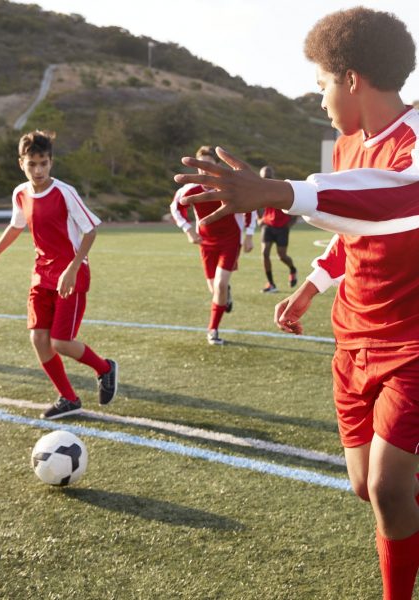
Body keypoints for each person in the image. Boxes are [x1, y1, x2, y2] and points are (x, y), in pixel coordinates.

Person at [174, 8, 419, 600]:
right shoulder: (347, 147)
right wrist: (310, 286)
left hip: (411, 342)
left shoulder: (415, 140)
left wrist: (285, 190)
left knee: (388, 488)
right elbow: (351, 227)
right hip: (352, 337)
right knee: (366, 486)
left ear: (351, 79)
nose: (320, 100)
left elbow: (401, 199)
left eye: (321, 85)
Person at [0, 130, 118, 419]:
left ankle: (105, 368)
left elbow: (91, 230)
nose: (38, 170)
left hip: (71, 273)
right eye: (32, 164)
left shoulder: (64, 192)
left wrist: (72, 267)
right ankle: (68, 398)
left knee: (61, 342)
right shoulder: (20, 193)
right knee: (38, 339)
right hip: (41, 274)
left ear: (51, 162)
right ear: (21, 163)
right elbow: (16, 227)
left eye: (43, 163)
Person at [170, 145, 255, 346]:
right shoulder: (190, 189)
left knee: (219, 285)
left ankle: (213, 330)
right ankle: (226, 295)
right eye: (200, 166)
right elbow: (176, 207)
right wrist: (188, 230)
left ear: (217, 166)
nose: (204, 170)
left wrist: (249, 235)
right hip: (206, 242)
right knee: (214, 289)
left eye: (208, 165)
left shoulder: (229, 186)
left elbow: (250, 207)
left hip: (230, 240)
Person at [256, 166, 297, 293]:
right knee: (264, 253)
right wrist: (259, 218)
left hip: (282, 227)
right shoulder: (259, 190)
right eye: (264, 177)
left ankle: (293, 269)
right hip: (268, 226)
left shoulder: (282, 187)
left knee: (282, 256)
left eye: (268, 176)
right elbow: (255, 204)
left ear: (273, 176)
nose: (266, 179)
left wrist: (290, 223)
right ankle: (271, 284)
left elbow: (295, 205)